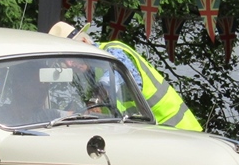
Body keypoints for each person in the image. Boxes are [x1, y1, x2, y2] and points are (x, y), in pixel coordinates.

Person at [48, 21, 203, 131]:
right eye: (64, 60)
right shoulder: (93, 70)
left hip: (177, 128)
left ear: (84, 41)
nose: (69, 64)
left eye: (71, 57)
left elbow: (119, 76)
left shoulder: (112, 51)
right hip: (155, 131)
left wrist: (95, 100)